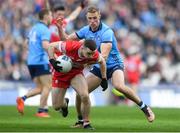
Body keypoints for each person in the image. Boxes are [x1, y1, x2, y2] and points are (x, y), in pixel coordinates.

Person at [56, 5, 155, 127]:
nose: (92, 21)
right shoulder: (85, 30)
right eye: (90, 18)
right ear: (87, 18)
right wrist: (60, 28)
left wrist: (82, 63)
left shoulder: (107, 32)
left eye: (95, 18)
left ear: (99, 16)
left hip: (114, 64)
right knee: (81, 93)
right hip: (98, 65)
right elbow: (65, 40)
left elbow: (104, 57)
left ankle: (144, 107)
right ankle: (81, 121)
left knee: (119, 85)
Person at [48, 39, 107, 130]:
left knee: (84, 95)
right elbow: (51, 46)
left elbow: (102, 62)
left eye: (92, 54)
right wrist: (52, 60)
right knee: (56, 106)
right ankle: (64, 104)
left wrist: (104, 78)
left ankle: (86, 122)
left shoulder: (93, 55)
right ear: (82, 48)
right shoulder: (70, 46)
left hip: (75, 74)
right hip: (60, 74)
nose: (91, 56)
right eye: (88, 53)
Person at [16, 9, 52, 118]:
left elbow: (25, 43)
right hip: (41, 62)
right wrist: (53, 56)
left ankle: (22, 99)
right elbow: (46, 45)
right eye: (50, 15)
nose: (51, 18)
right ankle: (41, 111)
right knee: (48, 85)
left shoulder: (33, 28)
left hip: (31, 62)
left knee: (40, 88)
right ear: (45, 16)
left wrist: (33, 52)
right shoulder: (45, 29)